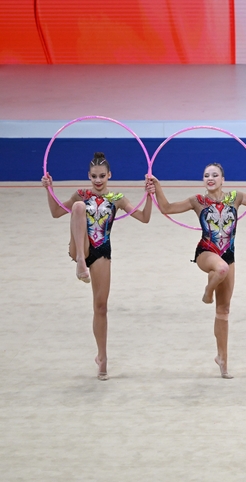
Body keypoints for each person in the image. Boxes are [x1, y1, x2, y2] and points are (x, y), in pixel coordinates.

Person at [149, 163, 246, 379]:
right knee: (221, 269)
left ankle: (222, 359)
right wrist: (156, 187)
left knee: (223, 311)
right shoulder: (197, 201)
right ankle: (207, 291)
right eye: (206, 175)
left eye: (215, 175)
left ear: (223, 179)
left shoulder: (236, 197)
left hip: (228, 254)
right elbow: (167, 208)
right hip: (206, 252)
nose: (210, 178)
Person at [41, 151, 154, 380]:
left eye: (102, 175)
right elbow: (55, 213)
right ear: (88, 175)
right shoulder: (81, 194)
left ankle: (102, 358)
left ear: (109, 175)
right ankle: (81, 261)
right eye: (94, 176)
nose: (98, 180)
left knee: (101, 307)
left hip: (102, 250)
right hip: (79, 247)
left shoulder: (117, 198)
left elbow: (144, 217)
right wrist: (48, 189)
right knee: (79, 207)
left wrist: (149, 194)